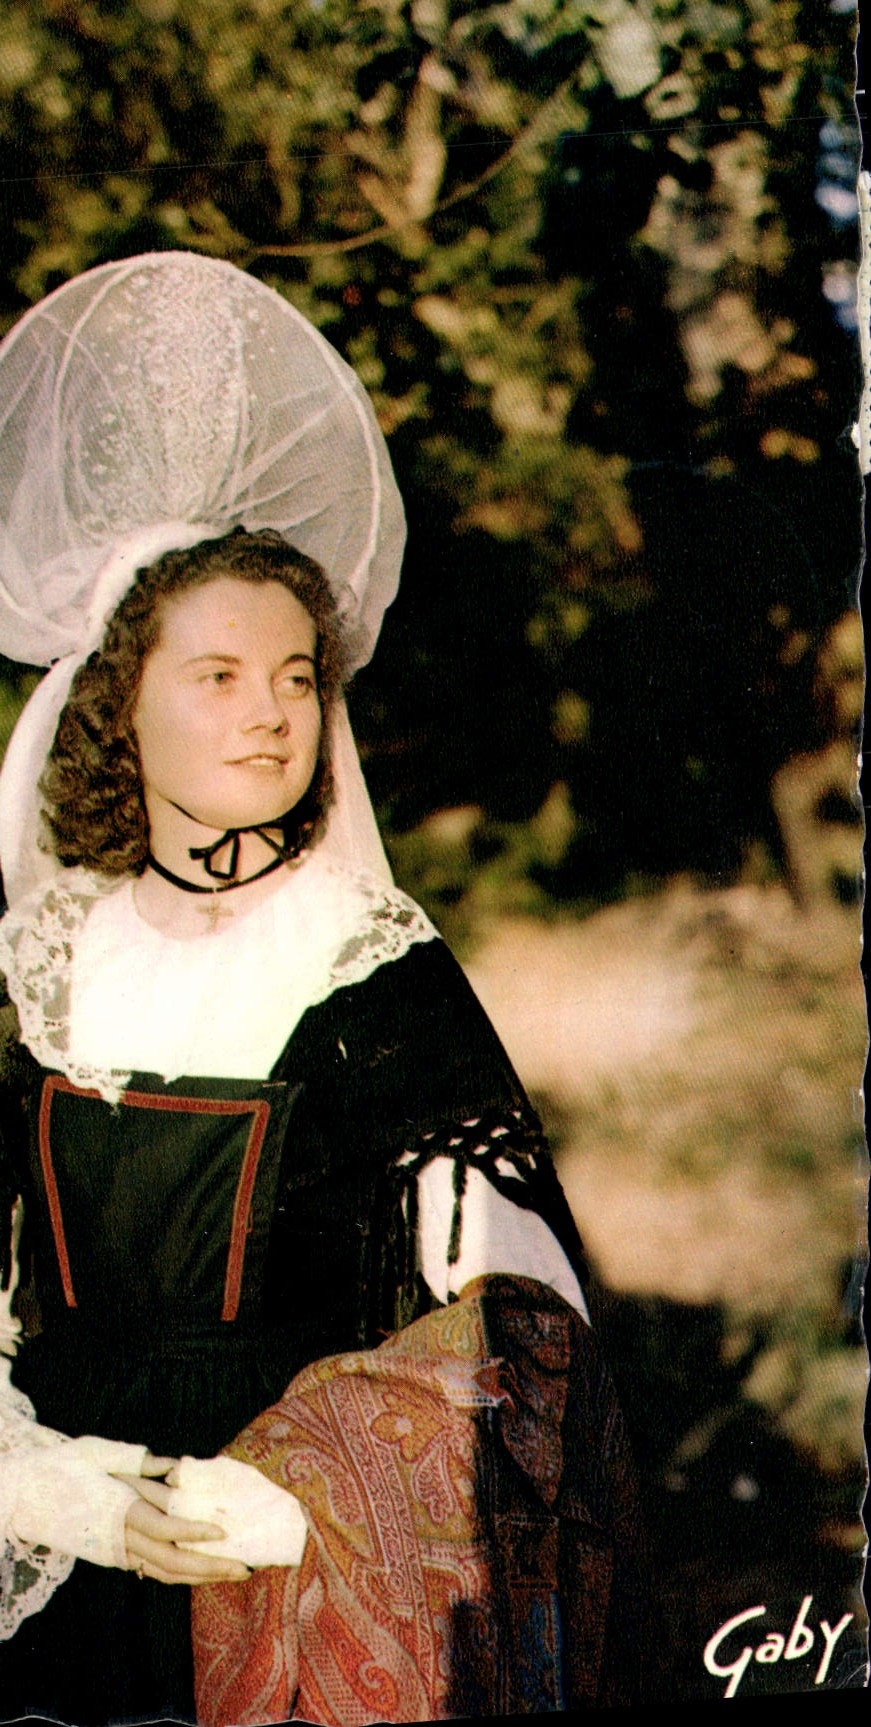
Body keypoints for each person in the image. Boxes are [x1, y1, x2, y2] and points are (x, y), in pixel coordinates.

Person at [0, 254, 647, 1724]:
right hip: (58, 1580)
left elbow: (527, 1340)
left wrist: (291, 1503)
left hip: (294, 1599)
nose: (273, 713)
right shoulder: (41, 969)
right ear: (119, 700)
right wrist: (50, 1491)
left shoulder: (368, 975)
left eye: (298, 677)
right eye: (218, 675)